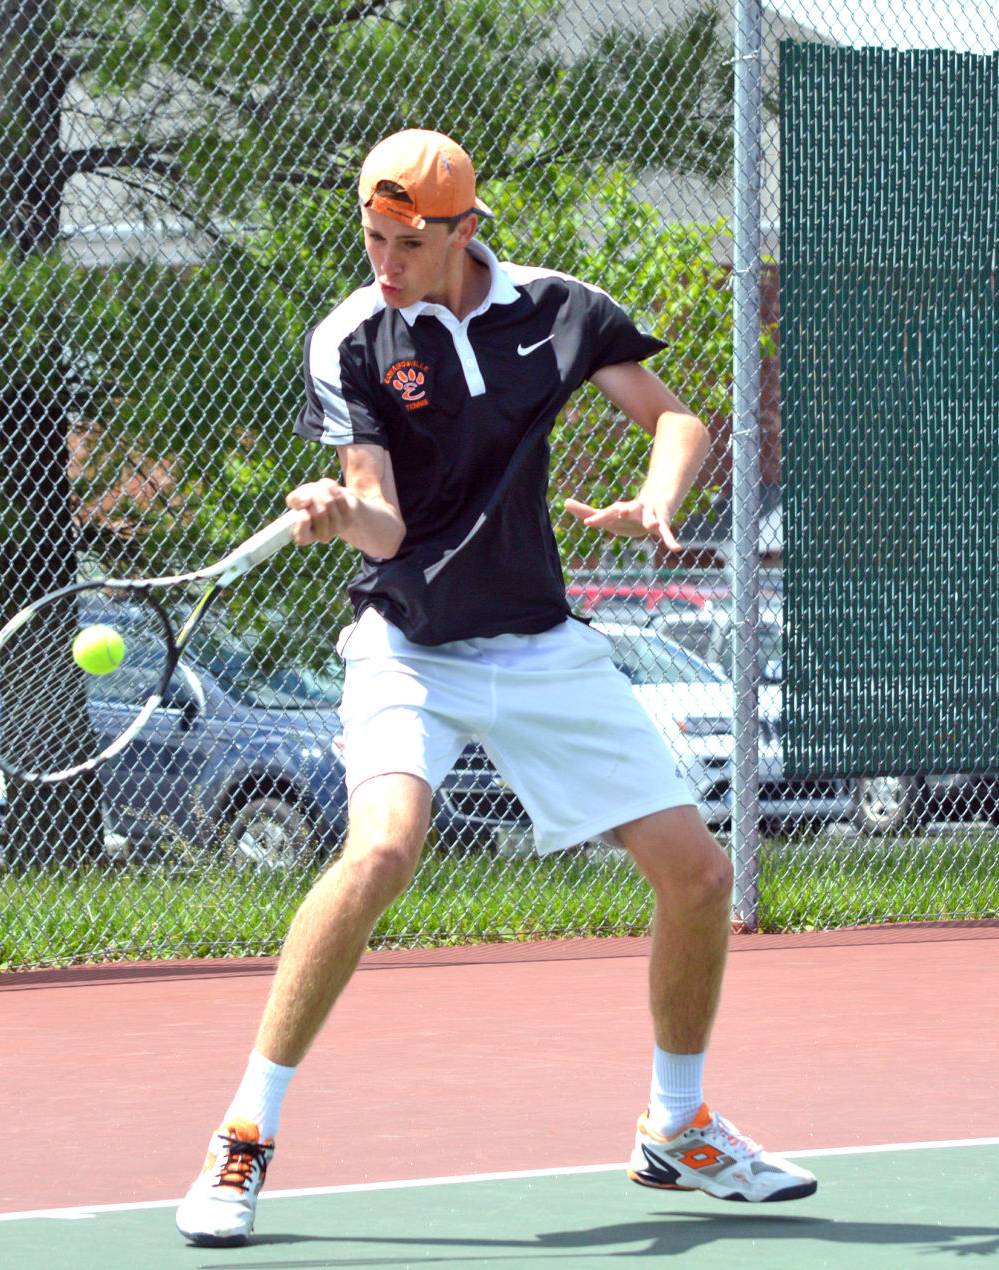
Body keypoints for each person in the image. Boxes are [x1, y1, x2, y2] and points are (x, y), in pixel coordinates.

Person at [175, 128, 816, 1248]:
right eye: (373, 238)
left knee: (701, 875)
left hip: (538, 644)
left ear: (467, 230)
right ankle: (242, 1138)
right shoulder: (353, 339)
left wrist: (661, 498)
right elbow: (382, 516)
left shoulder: (559, 309)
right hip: (409, 647)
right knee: (380, 851)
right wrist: (338, 515)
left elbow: (677, 418)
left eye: (408, 243)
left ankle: (677, 1125)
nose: (386, 261)